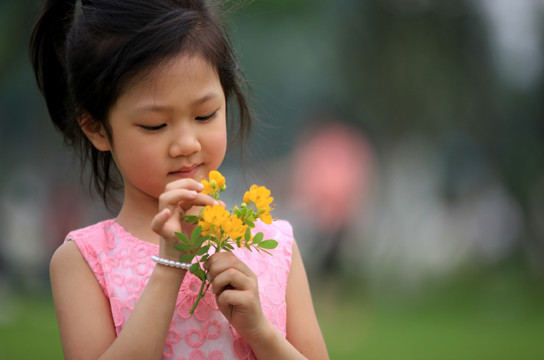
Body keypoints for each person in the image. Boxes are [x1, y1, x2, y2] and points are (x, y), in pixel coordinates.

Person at [29, 1, 329, 359]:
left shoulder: (274, 244)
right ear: (97, 129)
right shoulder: (83, 262)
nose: (187, 144)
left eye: (205, 115)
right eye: (155, 125)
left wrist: (260, 332)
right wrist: (170, 267)